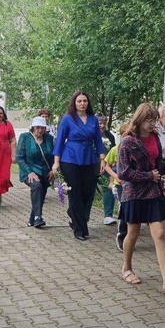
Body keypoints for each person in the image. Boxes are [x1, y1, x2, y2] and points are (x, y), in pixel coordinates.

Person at [118, 103, 165, 294]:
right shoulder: (128, 141)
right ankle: (126, 268)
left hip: (154, 193)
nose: (152, 123)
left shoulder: (155, 137)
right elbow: (123, 172)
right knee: (133, 233)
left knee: (160, 234)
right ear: (139, 119)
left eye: (154, 119)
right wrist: (148, 176)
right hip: (134, 194)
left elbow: (159, 164)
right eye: (149, 119)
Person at [50, 91, 106, 241]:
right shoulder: (67, 119)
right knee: (75, 193)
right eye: (79, 101)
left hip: (89, 158)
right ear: (74, 103)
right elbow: (60, 141)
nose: (82, 103)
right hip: (70, 158)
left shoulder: (93, 119)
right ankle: (80, 229)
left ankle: (72, 213)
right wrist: (56, 162)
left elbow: (98, 140)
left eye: (85, 101)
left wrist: (102, 159)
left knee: (88, 192)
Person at [16, 116, 55, 228]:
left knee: (40, 195)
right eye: (37, 127)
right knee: (36, 186)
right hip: (28, 171)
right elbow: (19, 157)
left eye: (42, 128)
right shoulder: (25, 137)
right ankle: (38, 217)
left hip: (45, 172)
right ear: (32, 127)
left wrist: (53, 170)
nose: (40, 130)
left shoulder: (49, 138)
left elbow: (52, 156)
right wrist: (29, 172)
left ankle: (32, 221)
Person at [104, 123, 130, 252]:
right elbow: (106, 165)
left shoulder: (134, 149)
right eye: (126, 135)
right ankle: (121, 236)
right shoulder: (115, 150)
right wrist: (115, 176)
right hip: (120, 185)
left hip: (132, 185)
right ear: (122, 136)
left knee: (131, 211)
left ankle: (130, 238)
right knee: (122, 209)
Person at [98, 114, 117, 225]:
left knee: (108, 188)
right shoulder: (91, 135)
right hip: (93, 166)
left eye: (104, 123)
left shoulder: (110, 136)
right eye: (100, 123)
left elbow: (113, 151)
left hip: (107, 166)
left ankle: (108, 215)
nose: (102, 125)